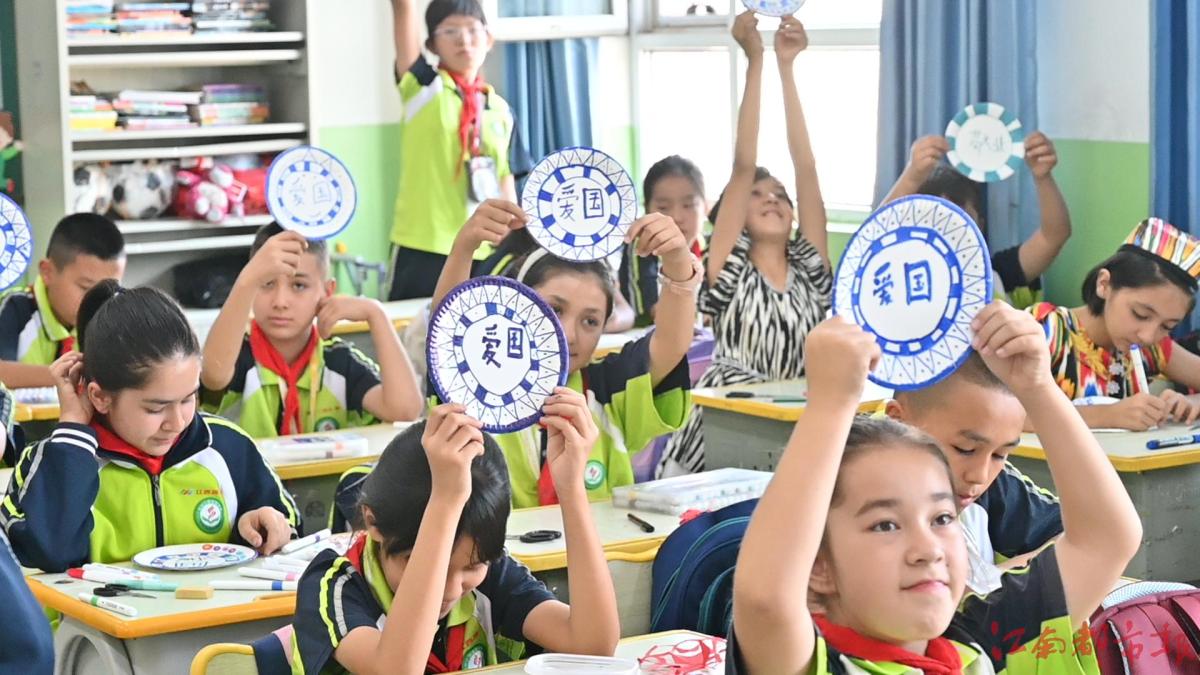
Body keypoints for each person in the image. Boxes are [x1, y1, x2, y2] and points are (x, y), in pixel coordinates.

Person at [727, 309, 1141, 673]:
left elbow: (1108, 539)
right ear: (818, 566)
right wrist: (829, 405)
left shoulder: (977, 645)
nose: (929, 549)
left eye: (942, 519)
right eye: (886, 525)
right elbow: (765, 600)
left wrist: (1038, 388)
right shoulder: (816, 664)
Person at [291, 398, 619, 673]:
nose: (449, 592)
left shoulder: (492, 575)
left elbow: (592, 647)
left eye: (472, 567)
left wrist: (571, 487)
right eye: (414, 560)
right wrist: (445, 501)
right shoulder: (334, 585)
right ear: (372, 523)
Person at [2, 281, 298, 571]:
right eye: (156, 408)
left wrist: (259, 525)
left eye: (188, 398)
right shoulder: (52, 461)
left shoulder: (226, 446)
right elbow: (50, 553)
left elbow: (289, 529)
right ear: (100, 397)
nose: (177, 422)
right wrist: (72, 432)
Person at [657, 12, 831, 477]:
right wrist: (756, 60)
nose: (772, 199)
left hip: (794, 422)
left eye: (780, 195)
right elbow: (743, 165)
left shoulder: (810, 270)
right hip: (724, 426)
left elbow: (807, 168)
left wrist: (788, 67)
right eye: (758, 195)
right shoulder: (729, 267)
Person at [201, 223, 422, 437]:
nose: (280, 302)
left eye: (299, 285)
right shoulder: (236, 356)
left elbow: (404, 411)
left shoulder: (338, 361)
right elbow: (213, 375)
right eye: (267, 283)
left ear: (328, 291)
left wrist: (377, 314)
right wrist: (246, 281)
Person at [384, 0, 530, 300]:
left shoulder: (501, 110)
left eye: (473, 30)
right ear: (432, 45)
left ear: (489, 39)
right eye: (450, 31)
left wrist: (511, 233)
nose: (464, 40)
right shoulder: (423, 87)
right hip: (424, 245)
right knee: (414, 325)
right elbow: (403, 8)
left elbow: (506, 178)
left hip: (484, 247)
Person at [1031, 217, 1200, 430]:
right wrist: (1106, 415)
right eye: (1140, 314)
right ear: (1104, 284)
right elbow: (998, 409)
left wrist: (1193, 402)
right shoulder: (1045, 330)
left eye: (1167, 326)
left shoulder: (1153, 349)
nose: (1148, 336)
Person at [881, 131, 1071, 309]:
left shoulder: (1000, 273)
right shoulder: (898, 279)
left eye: (959, 221)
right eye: (935, 222)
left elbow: (1053, 237)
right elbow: (873, 236)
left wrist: (1043, 177)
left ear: (979, 225)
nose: (948, 232)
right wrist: (911, 177)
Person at [0, 213, 124, 388]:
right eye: (85, 287)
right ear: (47, 272)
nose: (98, 301)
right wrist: (75, 375)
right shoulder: (15, 308)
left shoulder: (109, 318)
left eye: (110, 291)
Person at [619, 155, 707, 327]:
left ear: (705, 207)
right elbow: (656, 311)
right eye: (663, 208)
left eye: (688, 205)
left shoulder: (708, 248)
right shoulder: (641, 246)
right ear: (647, 210)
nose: (676, 217)